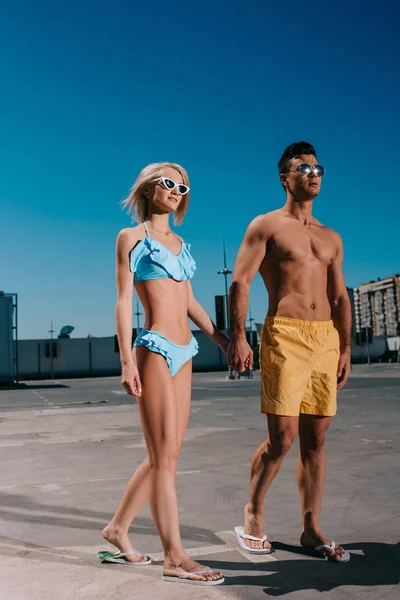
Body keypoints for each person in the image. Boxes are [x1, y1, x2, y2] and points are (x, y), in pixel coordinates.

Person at [99, 162, 227, 585]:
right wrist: (125, 360)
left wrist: (221, 340)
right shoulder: (132, 237)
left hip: (185, 350)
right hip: (153, 347)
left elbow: (189, 301)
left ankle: (117, 529)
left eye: (183, 186)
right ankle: (175, 556)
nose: (177, 190)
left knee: (166, 456)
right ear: (149, 188)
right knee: (164, 459)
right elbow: (122, 301)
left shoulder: (181, 242)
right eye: (169, 183)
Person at [227, 142, 351, 563]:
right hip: (285, 335)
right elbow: (240, 281)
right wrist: (239, 336)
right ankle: (254, 514)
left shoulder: (331, 237)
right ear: (285, 178)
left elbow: (339, 296)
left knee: (316, 441)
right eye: (304, 168)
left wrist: (345, 347)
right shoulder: (267, 226)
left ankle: (311, 529)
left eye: (319, 169)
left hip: (326, 340)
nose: (313, 174)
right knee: (282, 439)